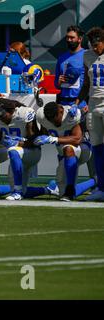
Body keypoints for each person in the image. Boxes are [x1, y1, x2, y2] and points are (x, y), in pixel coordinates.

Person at [34, 102, 95, 201]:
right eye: (50, 119)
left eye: (55, 118)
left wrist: (54, 139)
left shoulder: (71, 115)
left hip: (83, 149)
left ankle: (70, 189)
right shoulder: (42, 117)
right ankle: (96, 181)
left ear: (61, 111)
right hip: (64, 154)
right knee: (62, 193)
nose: (53, 122)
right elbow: (43, 134)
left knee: (68, 148)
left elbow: (77, 139)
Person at [78, 27, 104, 201]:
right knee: (97, 146)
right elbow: (87, 83)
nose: (95, 48)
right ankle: (101, 187)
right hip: (93, 104)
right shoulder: (87, 56)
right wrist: (79, 100)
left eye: (98, 44)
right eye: (93, 45)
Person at [54, 26, 86, 106]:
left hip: (81, 104)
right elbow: (56, 85)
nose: (69, 40)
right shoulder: (61, 58)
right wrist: (59, 82)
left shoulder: (87, 55)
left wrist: (88, 103)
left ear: (80, 39)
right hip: (63, 103)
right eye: (67, 37)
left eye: (72, 37)